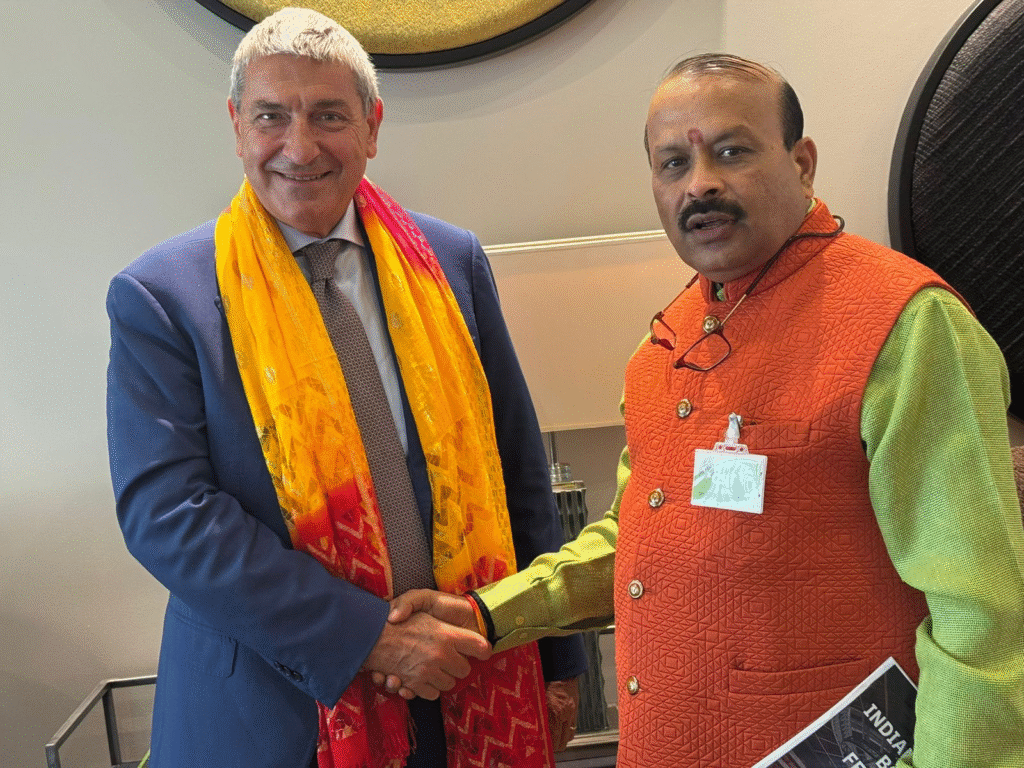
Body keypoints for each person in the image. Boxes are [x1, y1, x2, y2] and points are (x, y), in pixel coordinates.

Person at [387, 54, 1024, 767]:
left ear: (803, 165)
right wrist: (487, 613)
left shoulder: (906, 327)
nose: (700, 184)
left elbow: (984, 620)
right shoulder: (664, 346)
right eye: (672, 164)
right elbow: (637, 540)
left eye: (732, 151)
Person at [105, 8, 585, 768]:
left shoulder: (451, 261)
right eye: (271, 116)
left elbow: (517, 467)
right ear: (237, 125)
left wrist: (557, 663)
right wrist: (369, 638)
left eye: (329, 115)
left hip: (465, 684)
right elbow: (168, 516)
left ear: (372, 126)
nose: (300, 147)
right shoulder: (164, 298)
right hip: (272, 714)